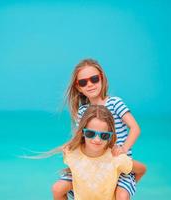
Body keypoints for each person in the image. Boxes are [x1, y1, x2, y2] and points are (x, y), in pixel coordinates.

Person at [52, 59, 146, 200]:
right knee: (58, 188)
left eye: (94, 79)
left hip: (117, 164)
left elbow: (135, 128)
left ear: (102, 78)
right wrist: (70, 146)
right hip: (91, 164)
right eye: (83, 82)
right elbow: (81, 137)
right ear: (78, 87)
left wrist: (124, 149)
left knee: (122, 196)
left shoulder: (115, 103)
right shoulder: (83, 111)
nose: (89, 84)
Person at [55, 105, 145, 200]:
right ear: (82, 132)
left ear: (111, 135)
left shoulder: (117, 158)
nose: (97, 139)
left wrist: (125, 188)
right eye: (91, 133)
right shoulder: (71, 154)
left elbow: (142, 170)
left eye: (104, 135)